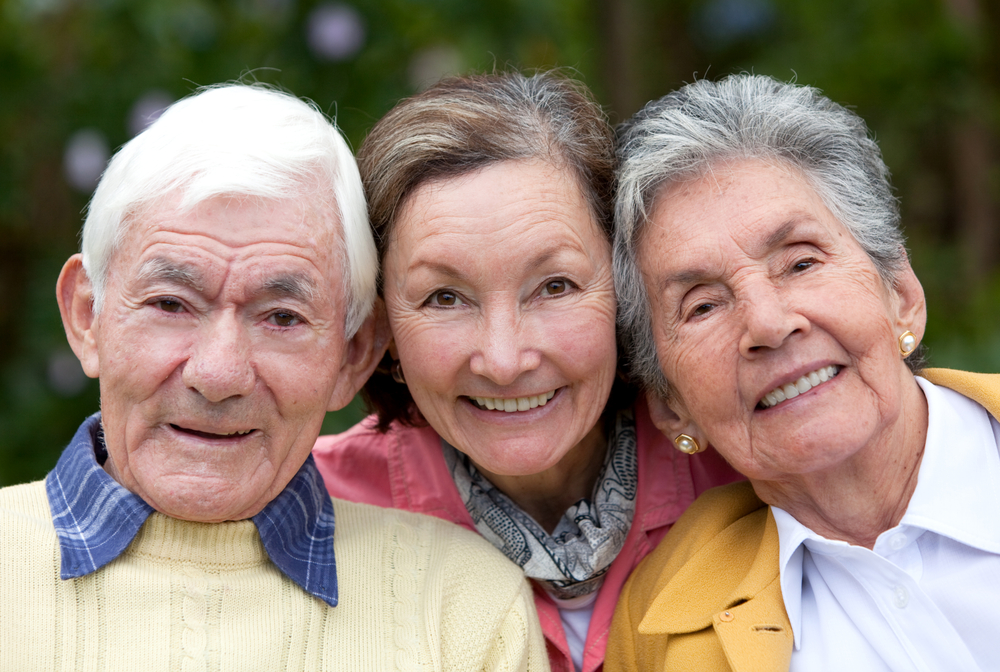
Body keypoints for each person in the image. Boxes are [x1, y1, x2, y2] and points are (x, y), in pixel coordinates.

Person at [0, 83, 549, 671]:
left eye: (282, 317)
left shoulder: (463, 609)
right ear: (88, 318)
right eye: (171, 303)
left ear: (353, 355)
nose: (218, 375)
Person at [312, 71, 743, 672]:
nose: (506, 360)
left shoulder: (748, 462)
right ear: (382, 335)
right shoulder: (316, 517)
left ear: (624, 288)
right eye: (444, 298)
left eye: (554, 286)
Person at [605, 73, 1000, 672]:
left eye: (800, 262)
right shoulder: (658, 629)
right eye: (703, 305)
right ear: (670, 407)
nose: (767, 324)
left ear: (900, 294)